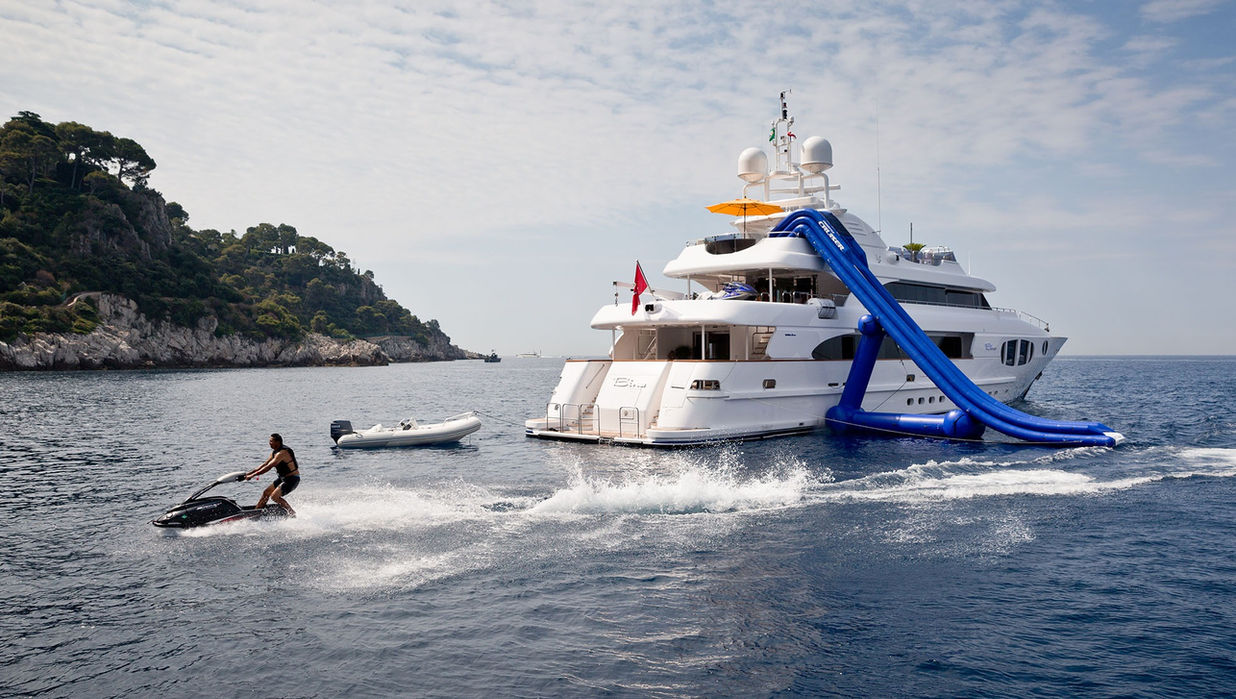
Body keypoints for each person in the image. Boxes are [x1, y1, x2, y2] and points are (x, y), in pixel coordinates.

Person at [245, 433, 299, 516]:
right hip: (282, 478)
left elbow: (269, 467)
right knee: (266, 493)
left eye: (271, 441)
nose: (269, 443)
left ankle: (292, 514)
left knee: (274, 497)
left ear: (277, 442)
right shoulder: (274, 452)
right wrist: (248, 473)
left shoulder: (282, 453)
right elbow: (265, 464)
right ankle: (256, 513)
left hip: (292, 479)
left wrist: (252, 476)